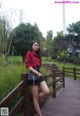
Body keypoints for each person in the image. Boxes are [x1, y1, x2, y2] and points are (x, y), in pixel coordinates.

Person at [25, 40, 49, 116]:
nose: (36, 46)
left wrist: (39, 73)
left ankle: (35, 99)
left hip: (39, 73)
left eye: (37, 45)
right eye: (35, 45)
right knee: (35, 98)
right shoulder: (29, 53)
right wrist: (37, 73)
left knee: (46, 91)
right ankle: (40, 114)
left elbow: (39, 65)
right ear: (32, 46)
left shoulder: (38, 54)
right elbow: (27, 66)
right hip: (33, 74)